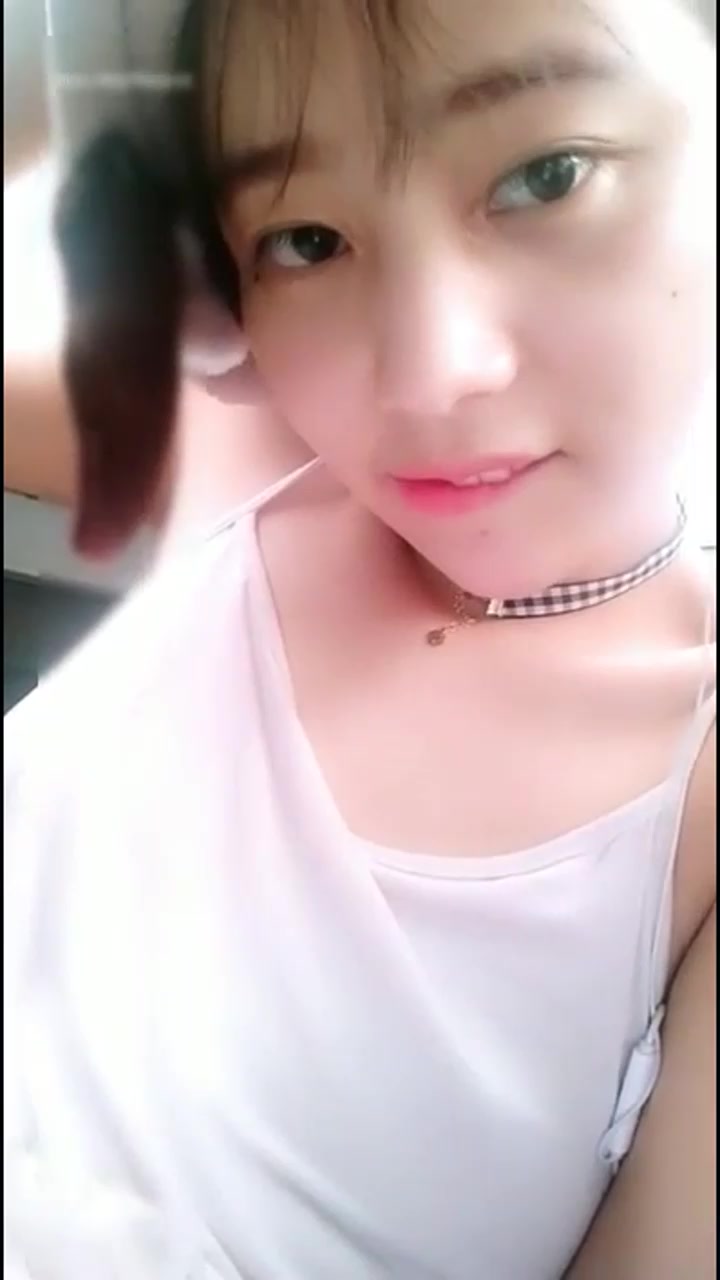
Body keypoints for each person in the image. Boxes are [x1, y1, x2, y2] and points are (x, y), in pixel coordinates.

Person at [4, 0, 716, 1276]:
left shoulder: (699, 793)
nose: (426, 374)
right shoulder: (259, 453)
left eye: (547, 174)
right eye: (307, 239)